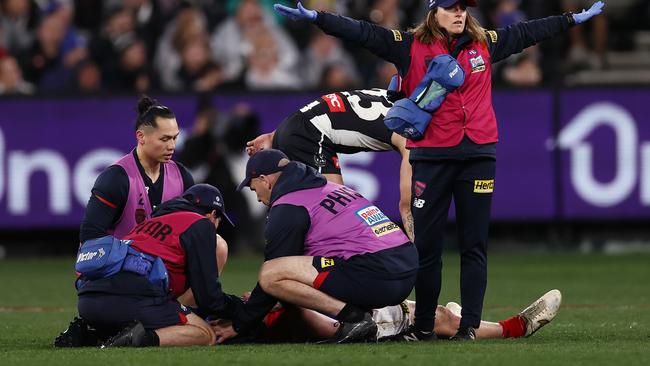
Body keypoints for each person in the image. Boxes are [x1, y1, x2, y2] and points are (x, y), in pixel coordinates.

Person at [273, 0, 604, 341]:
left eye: (464, 8)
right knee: (427, 248)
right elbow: (362, 32)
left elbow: (527, 33)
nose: (460, 13)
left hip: (478, 155)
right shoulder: (409, 46)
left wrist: (570, 19)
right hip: (431, 158)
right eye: (451, 7)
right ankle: (424, 326)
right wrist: (318, 17)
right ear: (434, 11)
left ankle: (469, 328)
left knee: (474, 245)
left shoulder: (484, 43)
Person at [211, 149, 418, 344]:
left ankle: (355, 318)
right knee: (284, 278)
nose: (257, 197)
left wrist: (240, 324)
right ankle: (396, 318)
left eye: (254, 187)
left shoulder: (288, 206)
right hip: (406, 267)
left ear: (265, 180)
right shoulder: (327, 187)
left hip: (377, 273)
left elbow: (276, 271)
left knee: (270, 274)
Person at [55, 184, 239, 348]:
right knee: (204, 334)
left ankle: (91, 333)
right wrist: (243, 311)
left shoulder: (147, 223)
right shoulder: (201, 224)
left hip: (88, 301)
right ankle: (140, 339)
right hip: (132, 296)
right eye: (218, 222)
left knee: (140, 309)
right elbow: (208, 296)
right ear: (212, 215)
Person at [245, 88, 416, 240]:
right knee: (338, 211)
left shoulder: (394, 97)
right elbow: (406, 206)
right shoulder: (410, 132)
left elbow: (322, 109)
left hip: (298, 127)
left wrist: (274, 135)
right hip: (308, 135)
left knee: (335, 209)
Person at [236, 289, 562, 343]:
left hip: (340, 314)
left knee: (437, 317)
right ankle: (518, 327)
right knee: (437, 317)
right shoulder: (247, 326)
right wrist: (274, 299)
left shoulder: (231, 317)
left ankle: (460, 320)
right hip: (343, 324)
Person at [79, 95, 195, 242]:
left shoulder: (182, 176)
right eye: (164, 139)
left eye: (175, 138)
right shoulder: (116, 178)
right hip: (123, 262)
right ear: (141, 137)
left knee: (217, 245)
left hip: (167, 262)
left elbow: (193, 231)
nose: (172, 146)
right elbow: (89, 237)